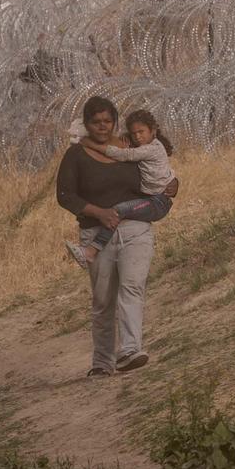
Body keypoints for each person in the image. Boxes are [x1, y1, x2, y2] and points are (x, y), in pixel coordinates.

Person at [55, 96, 177, 377]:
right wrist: (98, 212)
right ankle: (102, 363)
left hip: (135, 229)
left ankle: (130, 351)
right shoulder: (76, 154)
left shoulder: (130, 144)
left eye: (108, 121)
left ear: (115, 121)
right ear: (86, 123)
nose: (102, 126)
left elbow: (157, 166)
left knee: (132, 288)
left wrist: (174, 181)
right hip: (96, 232)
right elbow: (65, 195)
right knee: (103, 300)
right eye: (96, 122)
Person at [64, 109, 175, 270]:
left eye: (141, 132)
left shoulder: (151, 149)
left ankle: (90, 252)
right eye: (134, 133)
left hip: (158, 202)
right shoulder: (145, 143)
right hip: (152, 199)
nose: (137, 136)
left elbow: (124, 155)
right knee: (119, 211)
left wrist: (90, 144)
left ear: (153, 131)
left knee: (118, 210)